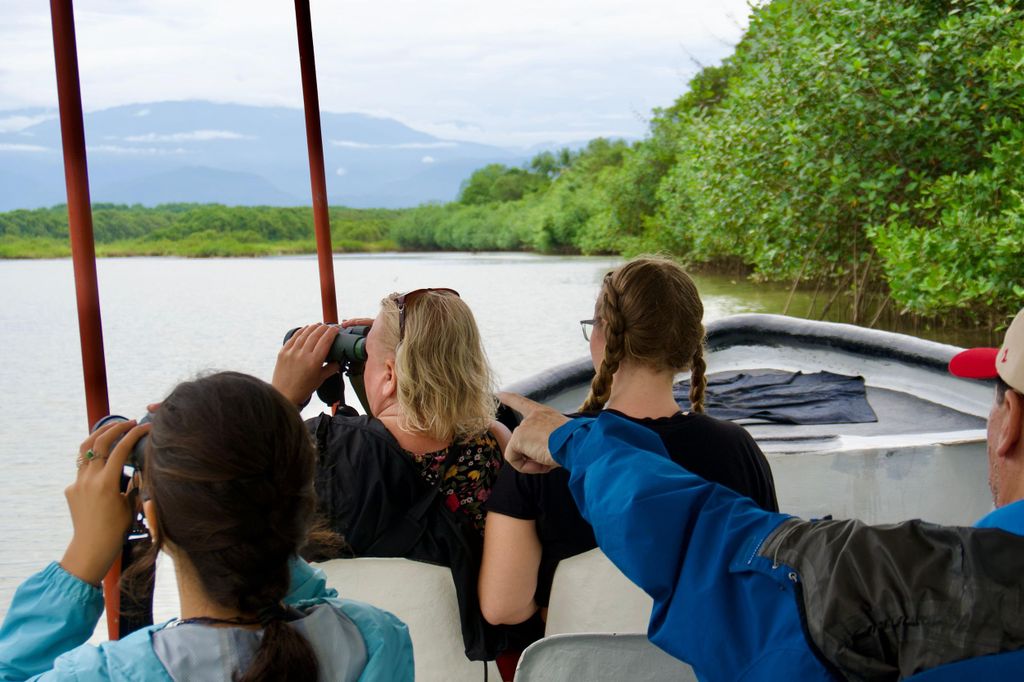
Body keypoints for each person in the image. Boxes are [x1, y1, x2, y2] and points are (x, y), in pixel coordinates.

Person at [497, 306, 1024, 680]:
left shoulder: (938, 584)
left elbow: (710, 550)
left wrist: (571, 437)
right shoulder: (737, 447)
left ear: (1009, 425)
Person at [0, 372, 412, 681]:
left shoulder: (106, 674)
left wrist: (82, 559)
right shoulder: (376, 638)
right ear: (304, 506)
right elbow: (315, 599)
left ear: (155, 522)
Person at [479, 257, 777, 629]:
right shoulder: (738, 450)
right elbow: (759, 583)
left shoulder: (542, 448)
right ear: (688, 346)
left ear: (603, 336)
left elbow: (502, 607)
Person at [272, 288, 510, 660]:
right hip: (461, 659)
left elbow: (237, 496)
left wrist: (281, 400)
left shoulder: (318, 449)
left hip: (347, 657)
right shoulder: (495, 445)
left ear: (388, 374)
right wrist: (390, 352)